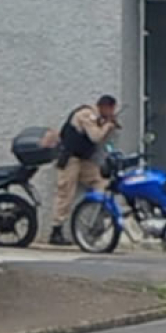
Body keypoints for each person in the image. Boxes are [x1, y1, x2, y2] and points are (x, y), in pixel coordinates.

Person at [51, 95, 119, 246]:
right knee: (66, 193)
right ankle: (56, 230)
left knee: (101, 180)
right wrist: (107, 125)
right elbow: (95, 136)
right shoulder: (86, 114)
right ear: (105, 107)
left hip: (84, 161)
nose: (112, 112)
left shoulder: (97, 118)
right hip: (70, 159)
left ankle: (97, 215)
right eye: (111, 109)